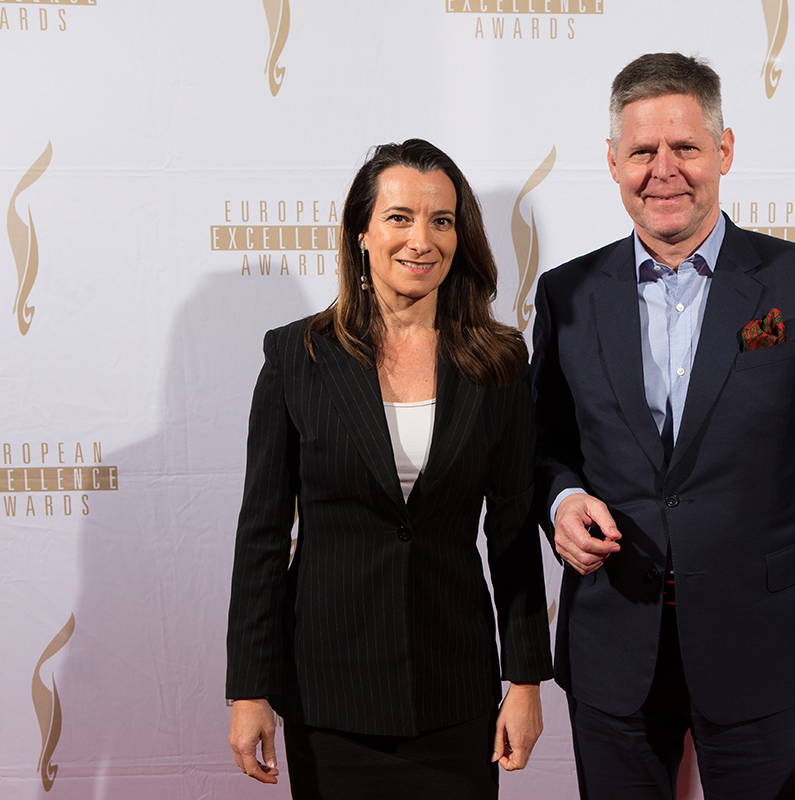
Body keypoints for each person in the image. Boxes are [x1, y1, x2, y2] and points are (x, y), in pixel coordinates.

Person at [530, 54, 795, 799]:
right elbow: (542, 447)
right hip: (612, 644)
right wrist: (561, 500)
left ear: (724, 150)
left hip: (761, 644)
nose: (663, 171)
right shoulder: (566, 293)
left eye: (685, 147)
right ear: (613, 162)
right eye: (642, 151)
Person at [226, 139, 553, 798]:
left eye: (441, 220)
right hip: (329, 695)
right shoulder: (297, 356)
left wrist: (524, 681)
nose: (420, 240)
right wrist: (249, 689)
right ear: (362, 233)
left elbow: (513, 534)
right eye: (399, 217)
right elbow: (262, 534)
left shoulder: (498, 361)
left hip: (456, 693)